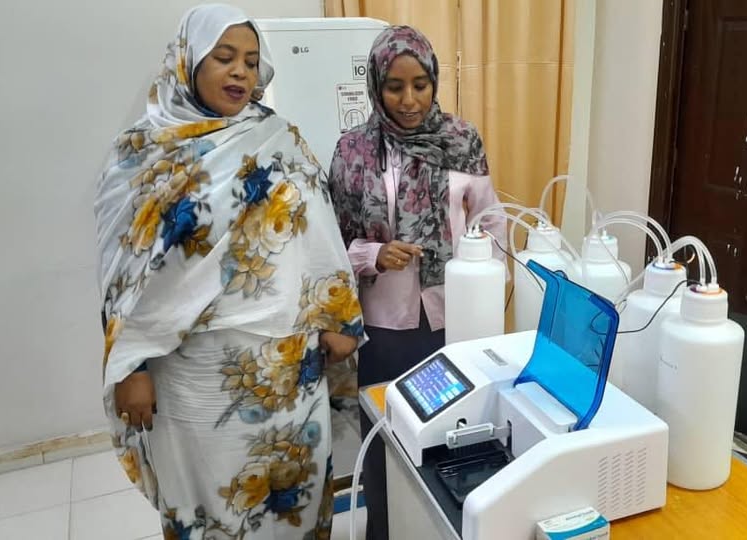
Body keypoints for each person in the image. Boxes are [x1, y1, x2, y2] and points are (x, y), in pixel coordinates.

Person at [95, 5, 363, 539]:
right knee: (211, 509)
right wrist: (130, 368)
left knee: (293, 502)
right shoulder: (140, 154)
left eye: (250, 61)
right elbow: (121, 271)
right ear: (188, 61)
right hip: (193, 377)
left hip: (288, 370)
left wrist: (339, 317)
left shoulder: (278, 138)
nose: (240, 71)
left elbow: (318, 230)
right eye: (224, 57)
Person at [328, 25, 506, 540]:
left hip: (456, 319)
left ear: (434, 81)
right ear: (375, 86)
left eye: (420, 85)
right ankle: (386, 530)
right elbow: (330, 245)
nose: (409, 100)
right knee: (386, 441)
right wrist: (373, 255)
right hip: (385, 327)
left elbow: (492, 220)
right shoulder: (353, 151)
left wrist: (489, 283)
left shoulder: (462, 140)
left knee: (456, 438)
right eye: (395, 87)